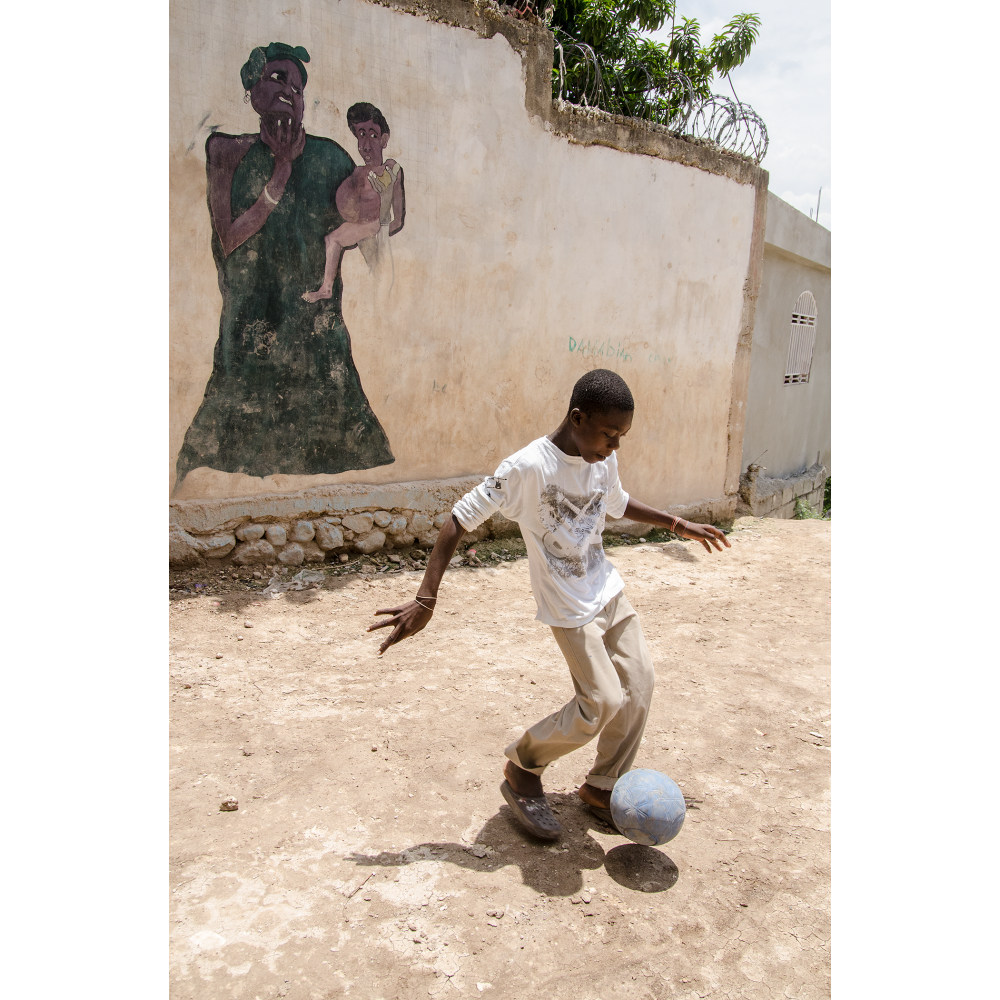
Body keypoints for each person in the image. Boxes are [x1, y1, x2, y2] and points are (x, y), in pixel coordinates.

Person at [369, 369, 731, 841]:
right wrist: (426, 597)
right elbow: (459, 518)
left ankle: (602, 787)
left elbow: (617, 503)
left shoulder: (602, 459)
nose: (615, 446)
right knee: (601, 699)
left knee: (639, 684)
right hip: (568, 606)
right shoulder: (526, 467)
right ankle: (523, 765)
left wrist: (677, 523)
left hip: (607, 590)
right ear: (578, 418)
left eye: (622, 436)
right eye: (609, 434)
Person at [175, 43, 394, 487]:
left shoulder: (331, 157)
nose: (289, 92)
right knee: (216, 460)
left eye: (297, 87)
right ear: (251, 89)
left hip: (317, 339)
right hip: (248, 336)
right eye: (277, 78)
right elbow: (230, 239)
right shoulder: (226, 151)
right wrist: (281, 170)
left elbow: (373, 216)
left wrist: (384, 184)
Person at [302, 102, 405, 303]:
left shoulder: (391, 168)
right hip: (360, 226)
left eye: (373, 135)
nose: (366, 144)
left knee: (380, 277)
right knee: (332, 239)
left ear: (384, 139)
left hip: (375, 225)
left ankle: (327, 289)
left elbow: (398, 219)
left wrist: (381, 231)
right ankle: (326, 288)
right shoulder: (357, 172)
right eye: (361, 135)